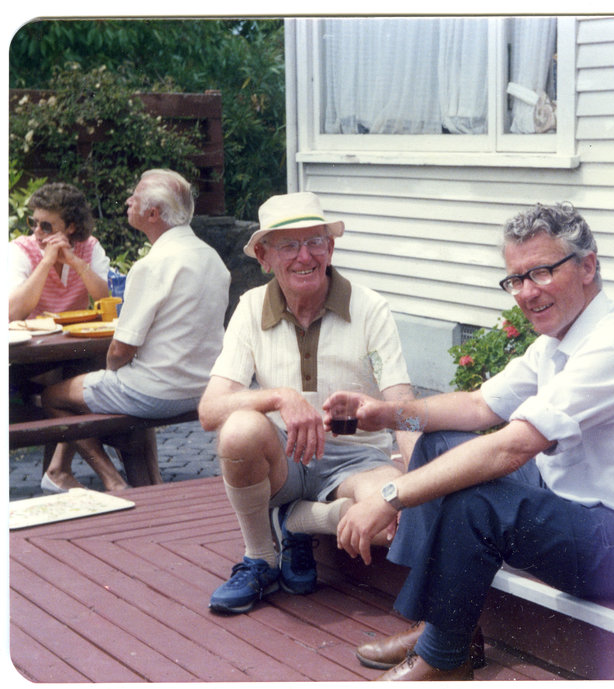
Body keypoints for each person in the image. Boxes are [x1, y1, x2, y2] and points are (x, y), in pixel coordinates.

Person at [326, 202, 614, 681]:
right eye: (516, 279)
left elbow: (511, 448)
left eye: (541, 272)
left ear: (587, 266)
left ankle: (446, 659)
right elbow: (480, 406)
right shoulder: (559, 340)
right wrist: (386, 414)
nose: (526, 292)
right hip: (581, 507)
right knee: (438, 442)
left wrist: (389, 495)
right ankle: (443, 625)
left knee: (480, 502)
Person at [198, 191, 419, 615]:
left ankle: (296, 521)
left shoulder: (370, 309)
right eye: (288, 245)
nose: (305, 256)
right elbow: (210, 410)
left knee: (394, 518)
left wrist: (416, 474)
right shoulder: (249, 308)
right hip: (286, 456)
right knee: (239, 429)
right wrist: (280, 397)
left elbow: (401, 402)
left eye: (315, 242)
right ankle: (260, 556)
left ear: (330, 248)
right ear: (264, 256)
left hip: (359, 459)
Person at [40, 169, 230, 493]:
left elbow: (119, 350)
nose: (128, 201)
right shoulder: (212, 259)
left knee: (51, 396)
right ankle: (128, 479)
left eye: (135, 197)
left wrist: (111, 371)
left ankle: (112, 480)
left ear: (153, 213)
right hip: (201, 387)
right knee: (114, 388)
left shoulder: (152, 265)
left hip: (157, 393)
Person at [8, 181, 110, 321]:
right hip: (34, 338)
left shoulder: (90, 246)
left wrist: (75, 262)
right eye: (33, 222)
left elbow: (107, 299)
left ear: (71, 227)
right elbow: (12, 314)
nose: (37, 231)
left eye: (46, 226)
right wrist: (46, 263)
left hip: (76, 336)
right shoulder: (20, 249)